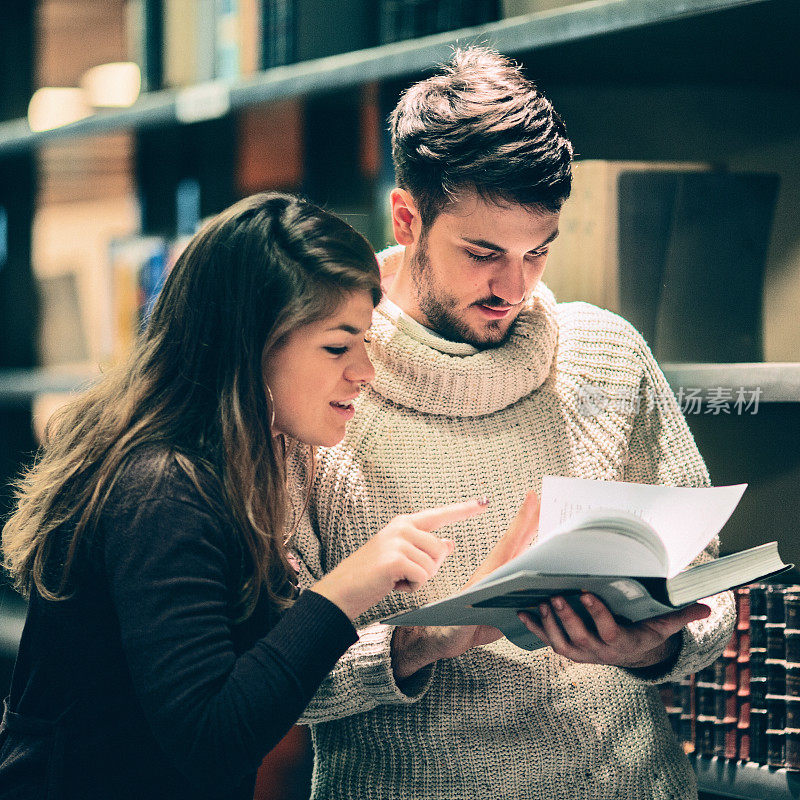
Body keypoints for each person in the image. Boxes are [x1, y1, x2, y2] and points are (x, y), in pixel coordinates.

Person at [291, 49, 736, 799]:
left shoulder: (608, 355)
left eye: (537, 252)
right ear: (408, 218)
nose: (513, 287)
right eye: (482, 253)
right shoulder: (322, 380)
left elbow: (710, 588)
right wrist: (427, 641)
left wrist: (652, 647)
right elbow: (260, 681)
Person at [0, 192, 533, 799]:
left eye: (364, 342)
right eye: (338, 346)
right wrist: (347, 587)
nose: (365, 370)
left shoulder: (230, 468)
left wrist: (439, 627)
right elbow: (211, 735)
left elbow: (254, 674)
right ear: (249, 347)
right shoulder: (162, 490)